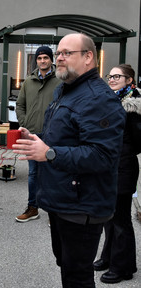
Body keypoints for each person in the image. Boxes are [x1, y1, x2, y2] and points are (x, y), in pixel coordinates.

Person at [13, 33, 126, 287]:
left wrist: (49, 153)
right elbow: (66, 137)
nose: (59, 58)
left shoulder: (98, 99)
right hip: (62, 200)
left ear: (88, 57)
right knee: (67, 267)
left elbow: (103, 155)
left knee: (77, 276)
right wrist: (38, 140)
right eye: (58, 52)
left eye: (66, 53)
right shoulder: (65, 90)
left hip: (82, 206)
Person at [92, 64, 140, 284]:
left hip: (124, 167)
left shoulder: (133, 106)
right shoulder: (111, 102)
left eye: (117, 76)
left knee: (121, 219)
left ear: (129, 80)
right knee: (108, 217)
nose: (111, 79)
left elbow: (137, 141)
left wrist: (121, 151)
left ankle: (123, 267)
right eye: (109, 76)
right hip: (109, 166)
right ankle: (109, 257)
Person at [15, 46, 62, 222]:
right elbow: (20, 105)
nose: (43, 61)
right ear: (36, 60)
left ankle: (54, 213)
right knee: (33, 174)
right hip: (33, 135)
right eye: (40, 58)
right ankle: (32, 208)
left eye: (46, 58)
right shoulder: (28, 82)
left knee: (53, 173)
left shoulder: (60, 81)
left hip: (54, 135)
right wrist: (24, 123)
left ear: (51, 60)